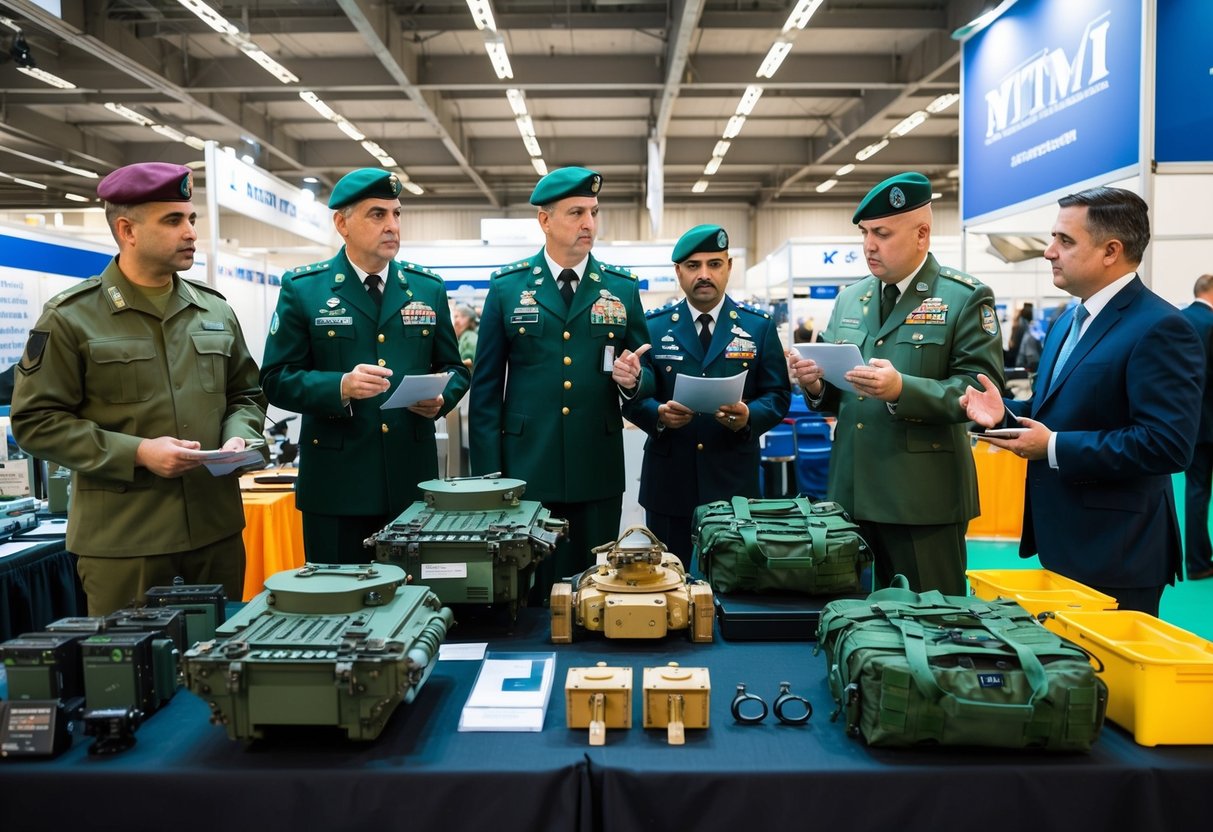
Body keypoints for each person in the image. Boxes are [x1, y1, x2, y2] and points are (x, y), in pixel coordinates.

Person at [10, 162, 268, 615]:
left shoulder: (213, 310)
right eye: (173, 220)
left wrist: (240, 435)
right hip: (126, 544)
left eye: (191, 219)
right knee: (132, 680)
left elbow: (246, 394)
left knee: (220, 673)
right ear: (127, 230)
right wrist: (138, 452)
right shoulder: (71, 316)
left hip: (215, 532)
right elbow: (36, 422)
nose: (190, 232)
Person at [961, 187, 1204, 615]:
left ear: (1111, 250)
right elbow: (1058, 412)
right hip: (1062, 542)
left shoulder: (1161, 327)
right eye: (1053, 238)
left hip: (1117, 554)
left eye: (1065, 241)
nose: (1049, 252)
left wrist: (1053, 448)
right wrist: (1004, 416)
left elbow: (1166, 444)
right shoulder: (1068, 320)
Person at [788, 172, 1004, 595]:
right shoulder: (852, 298)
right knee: (852, 622)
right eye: (865, 233)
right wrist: (815, 384)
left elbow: (979, 390)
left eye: (882, 233)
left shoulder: (964, 297)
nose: (869, 245)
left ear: (922, 234)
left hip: (922, 499)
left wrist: (902, 390)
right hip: (851, 495)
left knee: (931, 622)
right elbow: (838, 392)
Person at [261, 168, 469, 564]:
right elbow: (275, 379)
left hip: (412, 481)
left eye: (396, 214)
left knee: (414, 601)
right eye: (378, 214)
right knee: (336, 604)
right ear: (342, 223)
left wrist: (442, 399)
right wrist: (339, 387)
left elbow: (455, 368)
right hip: (338, 485)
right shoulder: (305, 289)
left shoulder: (427, 288)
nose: (392, 225)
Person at [469, 166, 653, 603]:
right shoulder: (508, 288)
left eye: (593, 212)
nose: (588, 223)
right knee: (529, 593)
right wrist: (488, 479)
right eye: (576, 213)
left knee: (595, 587)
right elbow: (487, 391)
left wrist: (635, 382)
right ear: (545, 220)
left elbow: (646, 371)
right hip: (528, 466)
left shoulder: (621, 288)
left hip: (596, 465)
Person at [622, 225, 791, 565]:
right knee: (669, 583)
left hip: (733, 483)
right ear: (678, 272)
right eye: (693, 266)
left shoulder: (758, 326)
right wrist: (657, 414)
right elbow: (635, 397)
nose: (704, 274)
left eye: (714, 264)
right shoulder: (652, 327)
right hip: (669, 485)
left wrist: (749, 417)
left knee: (733, 587)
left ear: (729, 267)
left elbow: (777, 395)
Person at [1181, 275, 1213, 580]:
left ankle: (1197, 560)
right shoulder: (1210, 323)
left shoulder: (1177, 319)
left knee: (1196, 491)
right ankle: (1201, 559)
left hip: (1188, 423)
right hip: (1210, 421)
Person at [453, 303, 479, 369]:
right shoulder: (463, 336)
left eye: (456, 316)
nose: (455, 321)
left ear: (467, 318)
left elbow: (471, 360)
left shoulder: (470, 337)